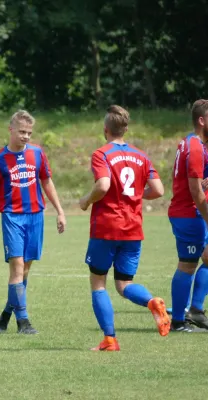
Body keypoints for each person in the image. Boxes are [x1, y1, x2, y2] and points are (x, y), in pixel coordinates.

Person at [78, 105, 170, 351]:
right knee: (124, 284)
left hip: (106, 227)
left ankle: (109, 340)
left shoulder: (102, 154)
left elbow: (103, 185)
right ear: (125, 129)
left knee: (98, 283)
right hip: (133, 228)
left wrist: (86, 200)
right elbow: (159, 190)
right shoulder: (141, 155)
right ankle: (152, 302)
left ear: (105, 129)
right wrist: (137, 196)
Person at [0, 110, 66, 335]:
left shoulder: (37, 154)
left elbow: (47, 182)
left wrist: (60, 211)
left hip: (36, 216)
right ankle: (23, 322)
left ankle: (5, 316)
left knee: (24, 270)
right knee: (16, 268)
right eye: (22, 132)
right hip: (12, 217)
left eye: (29, 132)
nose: (26, 136)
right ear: (11, 130)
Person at [167, 99, 208, 332]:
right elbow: (195, 190)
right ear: (201, 120)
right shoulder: (194, 147)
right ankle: (179, 321)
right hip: (189, 213)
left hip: (191, 213)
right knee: (187, 265)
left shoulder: (193, 143)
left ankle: (195, 310)